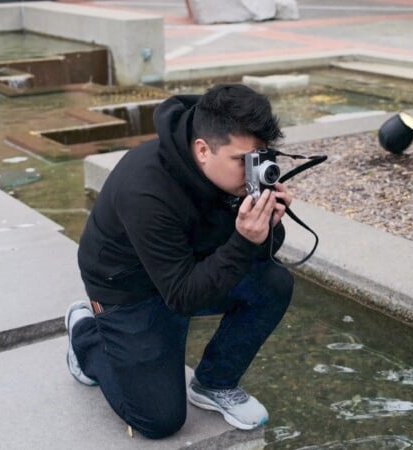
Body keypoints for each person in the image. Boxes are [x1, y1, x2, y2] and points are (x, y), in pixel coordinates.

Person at [66, 83, 294, 439]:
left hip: (188, 267)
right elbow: (182, 297)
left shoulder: (230, 173)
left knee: (274, 283)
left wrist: (267, 225)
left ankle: (214, 383)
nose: (255, 170)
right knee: (159, 421)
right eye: (242, 160)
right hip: (128, 289)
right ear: (203, 150)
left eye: (261, 156)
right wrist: (244, 239)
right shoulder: (146, 189)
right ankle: (86, 336)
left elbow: (260, 256)